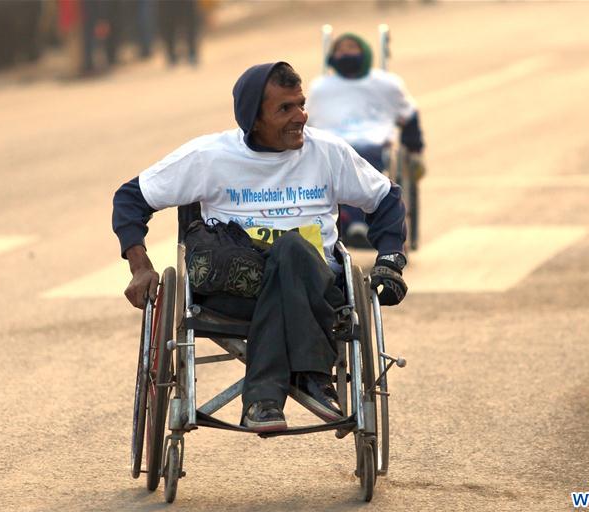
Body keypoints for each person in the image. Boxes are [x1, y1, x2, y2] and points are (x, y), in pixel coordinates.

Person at [112, 62, 409, 432]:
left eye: (301, 104)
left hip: (316, 289)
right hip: (235, 290)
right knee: (290, 250)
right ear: (253, 120)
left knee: (293, 251)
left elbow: (386, 199)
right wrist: (140, 266)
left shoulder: (327, 153)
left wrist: (390, 259)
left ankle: (264, 400)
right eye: (285, 109)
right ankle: (312, 375)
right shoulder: (210, 156)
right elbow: (130, 199)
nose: (300, 116)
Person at [307, 33, 425, 248]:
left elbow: (409, 116)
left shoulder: (387, 84)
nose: (345, 53)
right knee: (333, 157)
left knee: (357, 157)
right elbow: (307, 121)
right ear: (332, 56)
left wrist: (415, 151)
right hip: (331, 141)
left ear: (365, 51)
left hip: (373, 142)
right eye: (340, 49)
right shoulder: (321, 88)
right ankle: (344, 221)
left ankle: (355, 222)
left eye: (351, 47)